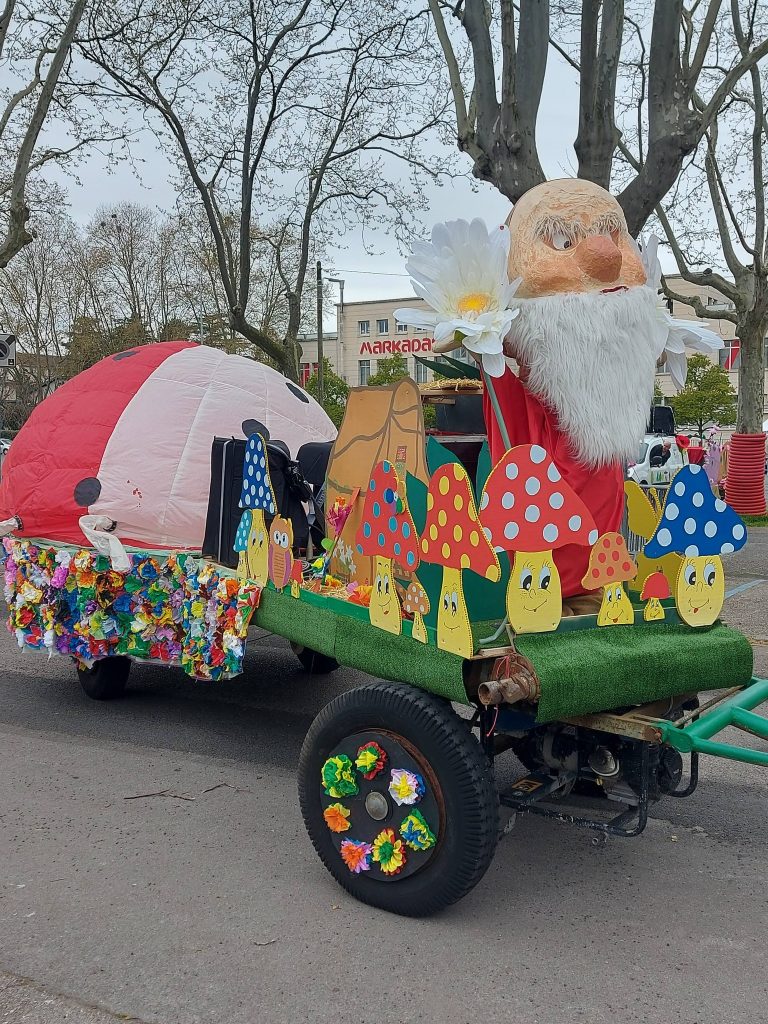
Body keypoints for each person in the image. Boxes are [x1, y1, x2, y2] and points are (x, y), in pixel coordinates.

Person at [481, 179, 666, 611]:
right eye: (564, 241)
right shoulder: (528, 393)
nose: (605, 256)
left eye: (613, 236)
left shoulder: (614, 397)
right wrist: (484, 333)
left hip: (604, 575)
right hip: (543, 586)